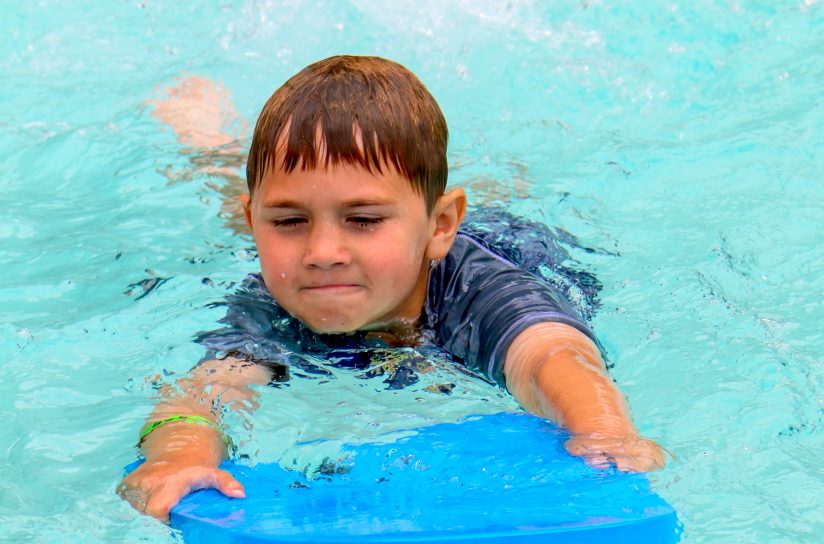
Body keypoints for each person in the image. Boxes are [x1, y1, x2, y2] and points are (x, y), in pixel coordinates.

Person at [118, 55, 665, 521]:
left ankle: (488, 187)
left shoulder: (481, 289)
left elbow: (553, 355)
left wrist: (603, 429)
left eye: (363, 219)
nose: (322, 252)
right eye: (287, 223)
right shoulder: (270, 301)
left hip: (506, 238)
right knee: (245, 190)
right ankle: (212, 147)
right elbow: (205, 391)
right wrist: (176, 456)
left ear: (441, 226)